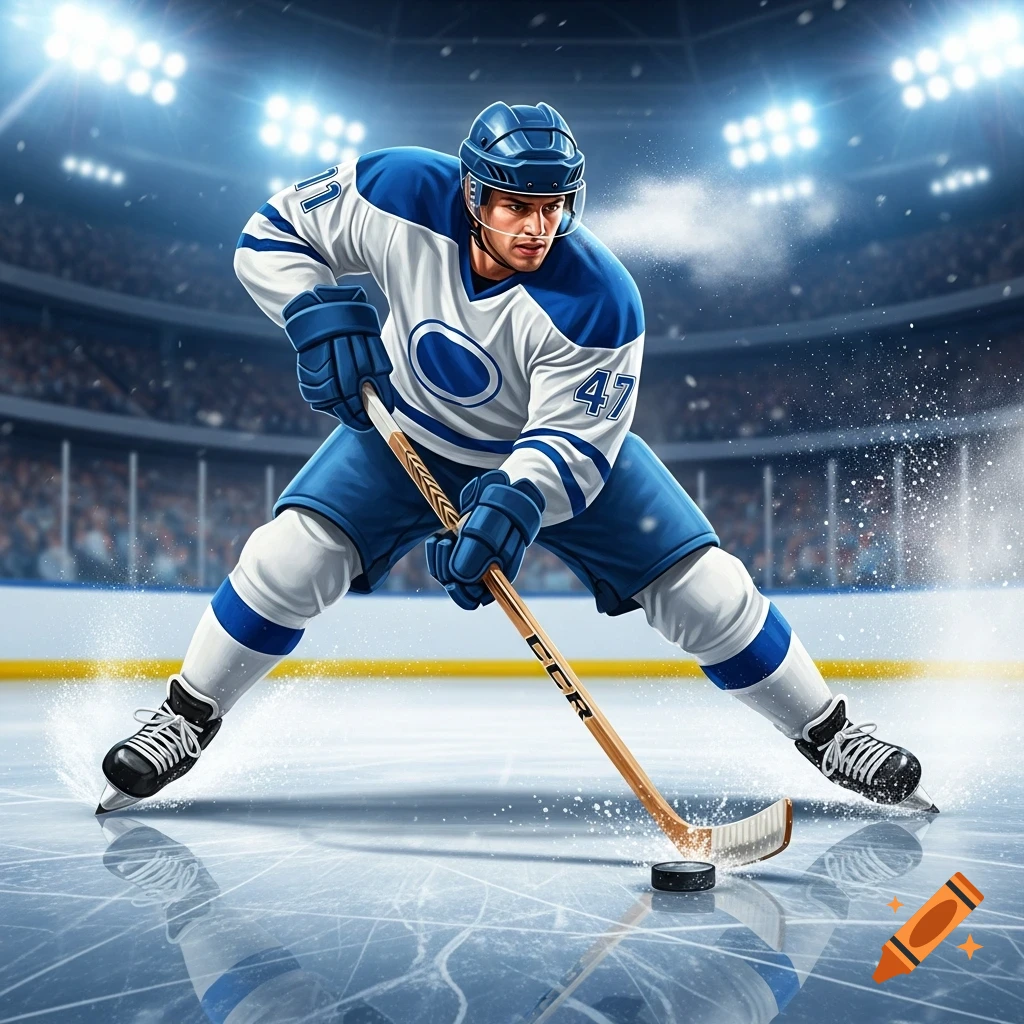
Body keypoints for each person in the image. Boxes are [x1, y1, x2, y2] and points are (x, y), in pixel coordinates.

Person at [97, 102, 935, 816]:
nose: (539, 227)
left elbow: (575, 442)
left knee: (707, 591)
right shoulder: (394, 189)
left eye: (554, 206)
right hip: (404, 432)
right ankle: (186, 716)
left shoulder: (601, 300)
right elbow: (270, 233)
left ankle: (830, 734)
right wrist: (311, 310)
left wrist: (515, 500)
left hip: (555, 459)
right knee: (287, 558)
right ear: (472, 192)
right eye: (516, 205)